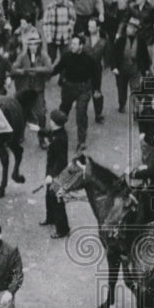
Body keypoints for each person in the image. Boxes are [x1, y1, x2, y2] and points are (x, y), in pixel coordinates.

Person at [51, 34, 99, 152]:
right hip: (68, 88)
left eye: (74, 44)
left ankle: (81, 142)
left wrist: (97, 89)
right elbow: (57, 68)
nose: (72, 46)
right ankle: (57, 135)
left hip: (83, 89)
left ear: (81, 46)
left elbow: (95, 75)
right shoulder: (67, 56)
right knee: (63, 111)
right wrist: (47, 75)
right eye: (71, 44)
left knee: (81, 113)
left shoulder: (89, 59)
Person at [42, 110, 71, 238]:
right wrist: (38, 129)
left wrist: (51, 176)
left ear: (54, 123)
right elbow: (49, 133)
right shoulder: (58, 133)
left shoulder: (60, 139)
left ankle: (63, 229)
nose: (50, 122)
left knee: (57, 200)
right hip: (52, 171)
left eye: (51, 120)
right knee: (49, 195)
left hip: (57, 174)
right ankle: (51, 218)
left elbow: (61, 161)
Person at [41, 0, 76, 64]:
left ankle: (63, 75)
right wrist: (48, 37)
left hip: (65, 38)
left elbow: (73, 18)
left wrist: (70, 28)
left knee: (65, 58)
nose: (57, 0)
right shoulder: (50, 7)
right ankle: (47, 74)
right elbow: (46, 23)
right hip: (53, 37)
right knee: (51, 59)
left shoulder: (69, 6)